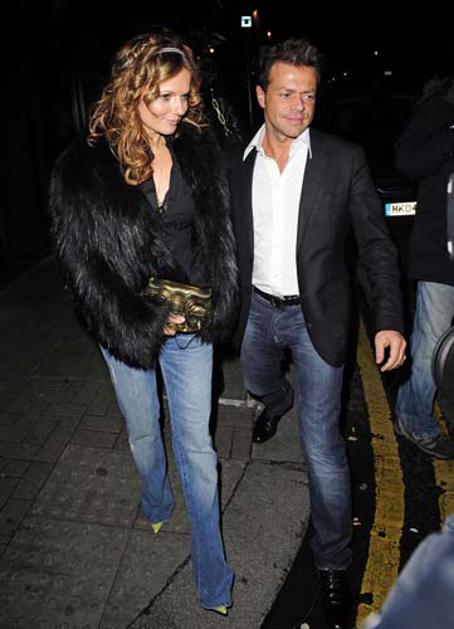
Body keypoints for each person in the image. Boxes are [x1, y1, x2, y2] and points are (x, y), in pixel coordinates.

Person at [49, 30, 237, 614]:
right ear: (134, 91)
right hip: (128, 327)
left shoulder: (197, 150)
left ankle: (213, 579)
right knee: (142, 431)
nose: (180, 109)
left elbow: (214, 237)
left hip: (191, 327)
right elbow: (84, 269)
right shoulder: (83, 167)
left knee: (199, 451)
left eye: (185, 96)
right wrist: (140, 321)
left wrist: (208, 301)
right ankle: (155, 499)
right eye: (166, 97)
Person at [228, 38, 406, 625]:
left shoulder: (342, 159)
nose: (299, 107)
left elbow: (376, 244)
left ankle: (333, 563)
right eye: (286, 94)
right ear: (261, 96)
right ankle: (275, 400)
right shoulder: (237, 162)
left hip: (317, 319)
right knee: (261, 385)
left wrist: (388, 319)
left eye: (308, 95)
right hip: (255, 312)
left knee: (322, 446)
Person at [393, 75, 454, 459]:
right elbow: (407, 161)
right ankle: (414, 418)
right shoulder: (438, 110)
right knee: (433, 345)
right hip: (440, 256)